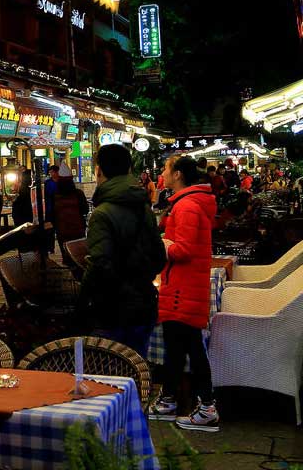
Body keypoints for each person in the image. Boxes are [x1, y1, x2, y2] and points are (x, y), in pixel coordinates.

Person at [149, 155, 220, 432]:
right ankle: (169, 400)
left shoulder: (187, 206)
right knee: (176, 348)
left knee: (191, 347)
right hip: (182, 286)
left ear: (178, 174)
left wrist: (163, 244)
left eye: (166, 169)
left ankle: (207, 407)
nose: (162, 173)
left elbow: (184, 249)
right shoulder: (188, 203)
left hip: (183, 288)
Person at [79, 144, 166, 357]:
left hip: (113, 310)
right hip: (144, 303)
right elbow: (159, 257)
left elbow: (99, 265)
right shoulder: (143, 207)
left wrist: (81, 302)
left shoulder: (102, 214)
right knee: (137, 366)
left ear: (99, 171)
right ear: (129, 169)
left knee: (110, 369)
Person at [52, 163, 89, 260]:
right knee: (79, 256)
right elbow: (85, 210)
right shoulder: (79, 194)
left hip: (62, 230)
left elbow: (52, 213)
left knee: (66, 256)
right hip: (78, 229)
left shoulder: (54, 196)